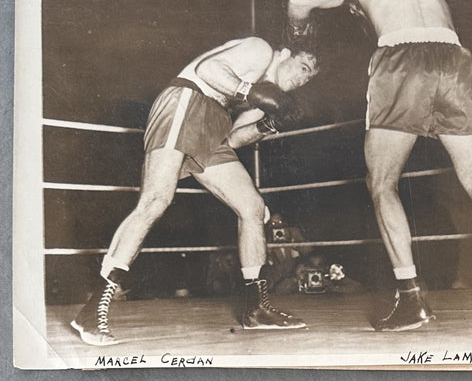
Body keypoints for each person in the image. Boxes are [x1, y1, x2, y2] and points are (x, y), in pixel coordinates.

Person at [287, 0, 472, 331]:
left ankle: (411, 297)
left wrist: (297, 35)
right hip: (454, 58)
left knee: (382, 184)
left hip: (402, 58)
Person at [71, 36, 319, 346]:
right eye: (303, 66)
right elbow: (208, 69)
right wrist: (251, 92)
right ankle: (92, 309)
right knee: (156, 200)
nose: (302, 79)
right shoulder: (261, 51)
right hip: (188, 100)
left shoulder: (271, 93)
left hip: (213, 125)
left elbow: (232, 140)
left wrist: (268, 125)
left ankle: (255, 308)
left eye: (309, 77)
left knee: (252, 207)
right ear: (284, 54)